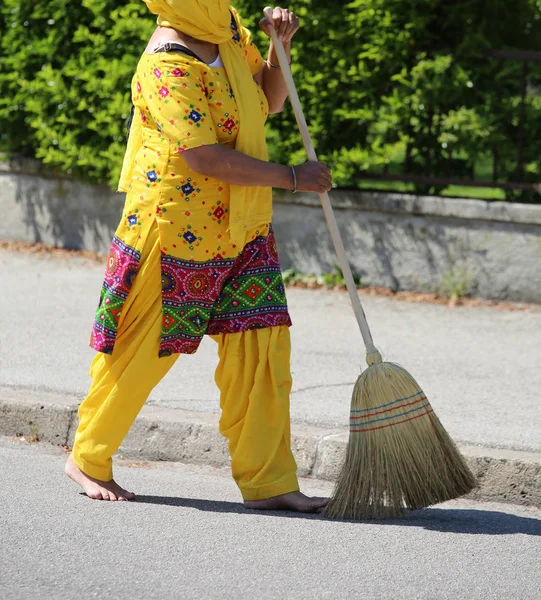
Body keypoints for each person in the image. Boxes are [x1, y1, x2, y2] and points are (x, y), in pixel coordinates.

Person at [65, 0, 332, 513]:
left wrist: (281, 47)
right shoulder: (165, 61)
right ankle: (87, 457)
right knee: (142, 354)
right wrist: (292, 177)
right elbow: (204, 157)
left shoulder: (226, 27)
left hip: (245, 226)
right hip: (176, 230)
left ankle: (269, 479)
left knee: (262, 352)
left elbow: (269, 102)